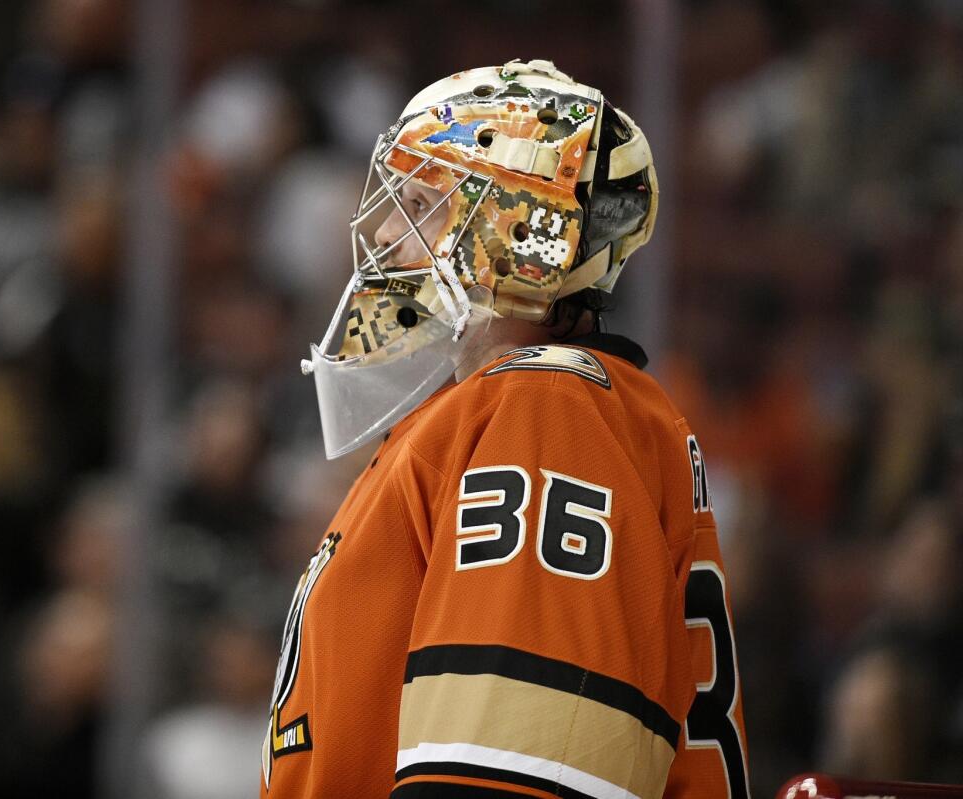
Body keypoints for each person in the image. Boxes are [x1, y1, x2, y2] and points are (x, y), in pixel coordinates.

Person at [262, 59, 749, 798]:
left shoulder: (544, 409)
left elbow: (517, 776)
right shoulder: (517, 410)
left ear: (524, 231)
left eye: (423, 201)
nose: (390, 230)